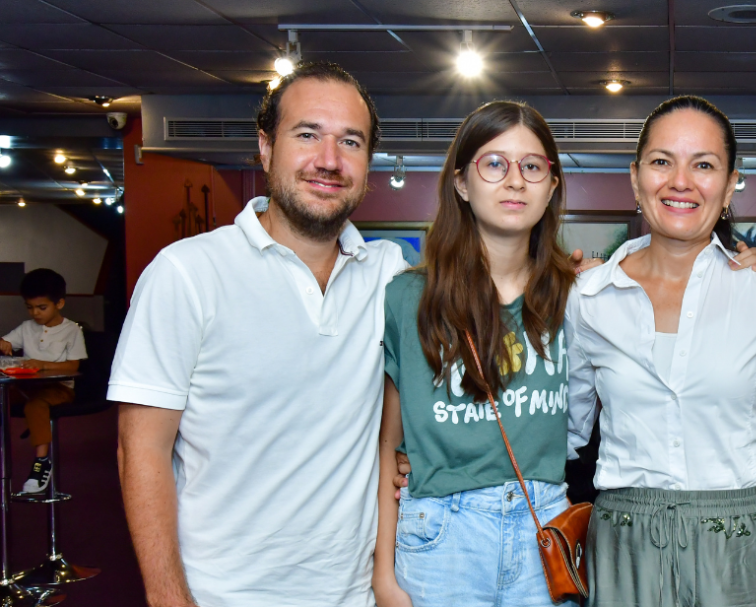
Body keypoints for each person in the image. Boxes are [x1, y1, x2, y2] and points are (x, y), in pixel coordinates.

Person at [110, 62, 411, 606]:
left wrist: (577, 283)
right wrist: (167, 597)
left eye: (350, 141)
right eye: (307, 135)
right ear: (266, 147)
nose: (329, 160)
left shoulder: (389, 273)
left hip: (352, 594)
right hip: (221, 593)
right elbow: (141, 450)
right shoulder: (187, 273)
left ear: (368, 163)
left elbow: (483, 298)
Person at [565, 95, 756, 607]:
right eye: (661, 162)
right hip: (624, 541)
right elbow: (561, 431)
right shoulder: (588, 298)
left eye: (703, 164)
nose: (681, 181)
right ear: (636, 179)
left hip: (740, 544)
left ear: (728, 184)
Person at [373, 100, 580, 607]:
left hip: (543, 524)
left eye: (532, 166)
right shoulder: (407, 297)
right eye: (494, 163)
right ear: (462, 183)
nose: (515, 181)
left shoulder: (579, 297)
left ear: (552, 185)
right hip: (442, 533)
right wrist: (382, 573)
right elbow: (387, 446)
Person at [0, 268, 87, 494]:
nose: (35, 313)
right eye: (30, 307)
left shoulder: (72, 331)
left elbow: (73, 366)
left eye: (41, 307)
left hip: (59, 388)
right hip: (28, 386)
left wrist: (42, 364)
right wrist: (3, 343)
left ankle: (41, 462)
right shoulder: (27, 327)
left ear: (59, 304)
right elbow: (6, 340)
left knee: (36, 406)